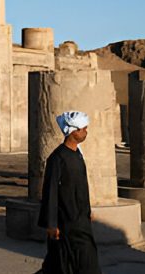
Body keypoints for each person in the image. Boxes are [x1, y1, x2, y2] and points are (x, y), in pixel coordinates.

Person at [38, 111, 101, 274]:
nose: (86, 132)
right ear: (74, 131)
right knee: (66, 261)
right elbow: (50, 192)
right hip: (65, 221)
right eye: (83, 129)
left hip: (80, 220)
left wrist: (87, 210)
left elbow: (80, 187)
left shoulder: (78, 155)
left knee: (83, 260)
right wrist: (51, 224)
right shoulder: (57, 158)